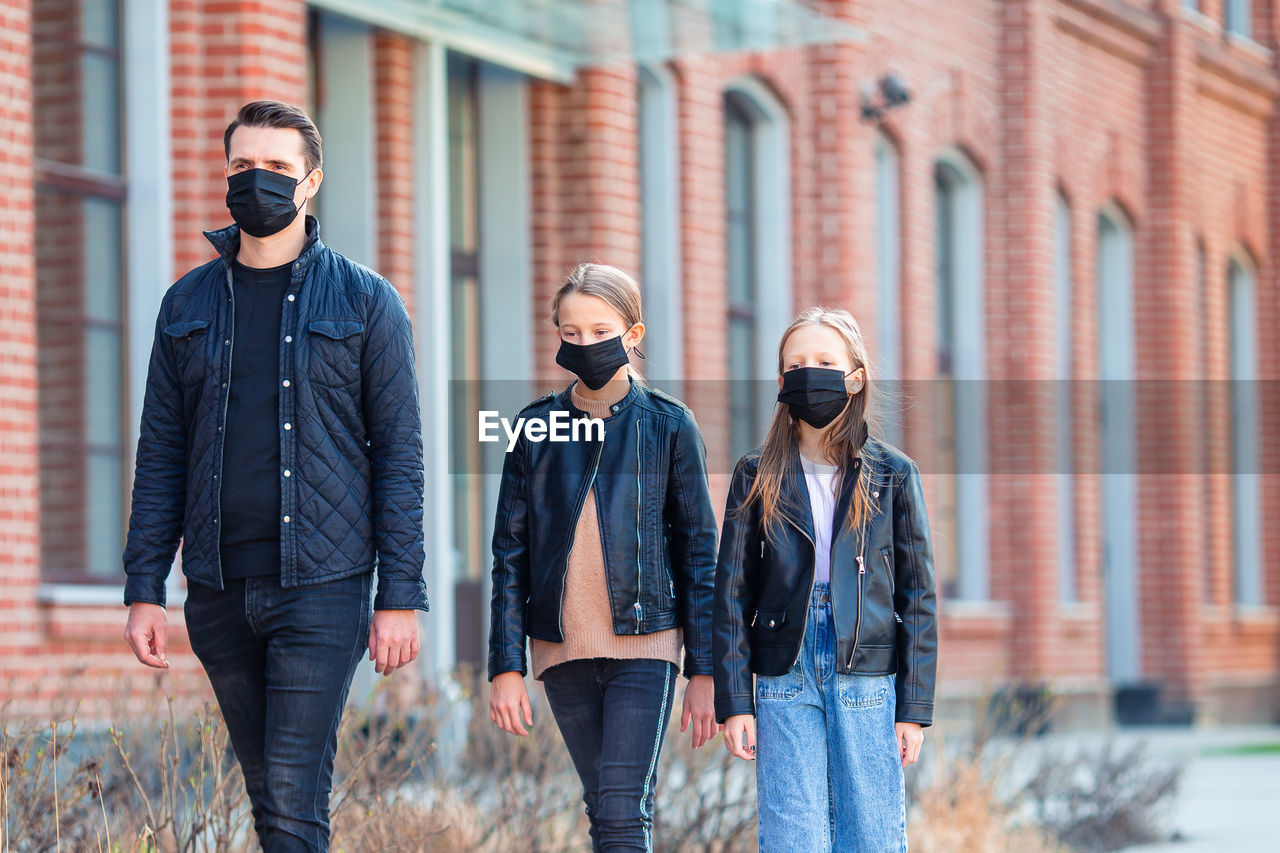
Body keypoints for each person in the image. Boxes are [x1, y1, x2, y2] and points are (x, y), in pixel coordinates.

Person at [122, 100, 428, 852]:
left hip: (324, 585)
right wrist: (143, 586)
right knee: (272, 799)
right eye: (241, 166)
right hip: (221, 590)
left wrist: (401, 597)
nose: (255, 180)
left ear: (312, 180)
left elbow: (400, 454)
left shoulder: (366, 301)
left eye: (277, 168)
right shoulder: (185, 304)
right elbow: (160, 453)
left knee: (291, 796)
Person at [487, 263, 720, 852]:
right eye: (571, 333)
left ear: (633, 333)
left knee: (621, 810)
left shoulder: (670, 425)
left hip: (645, 644)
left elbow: (699, 553)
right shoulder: (533, 427)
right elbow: (509, 556)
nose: (584, 344)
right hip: (561, 648)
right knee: (603, 811)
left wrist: (706, 668)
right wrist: (505, 666)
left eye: (600, 330)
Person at [713, 306, 937, 852]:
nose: (808, 373)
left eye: (825, 361)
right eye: (796, 364)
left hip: (865, 666)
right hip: (782, 667)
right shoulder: (755, 473)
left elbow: (918, 597)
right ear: (782, 381)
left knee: (873, 832)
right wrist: (735, 699)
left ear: (855, 377)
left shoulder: (893, 474)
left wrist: (914, 708)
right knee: (794, 834)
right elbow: (731, 594)